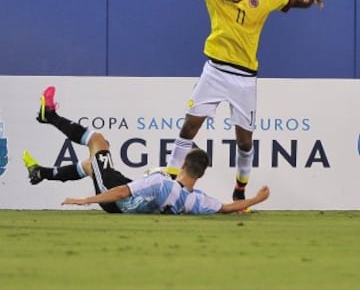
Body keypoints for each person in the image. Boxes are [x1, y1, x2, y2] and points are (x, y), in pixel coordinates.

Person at [165, 0, 324, 203]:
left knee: (245, 142)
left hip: (244, 79)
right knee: (189, 127)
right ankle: (168, 183)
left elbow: (291, 2)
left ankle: (239, 190)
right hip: (214, 71)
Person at [23, 86, 270, 214]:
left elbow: (120, 193)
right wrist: (257, 199)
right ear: (200, 174)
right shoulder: (194, 200)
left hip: (117, 199)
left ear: (183, 164)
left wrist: (85, 200)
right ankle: (41, 172)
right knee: (90, 165)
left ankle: (50, 116)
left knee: (98, 141)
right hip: (129, 194)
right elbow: (226, 208)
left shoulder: (161, 183)